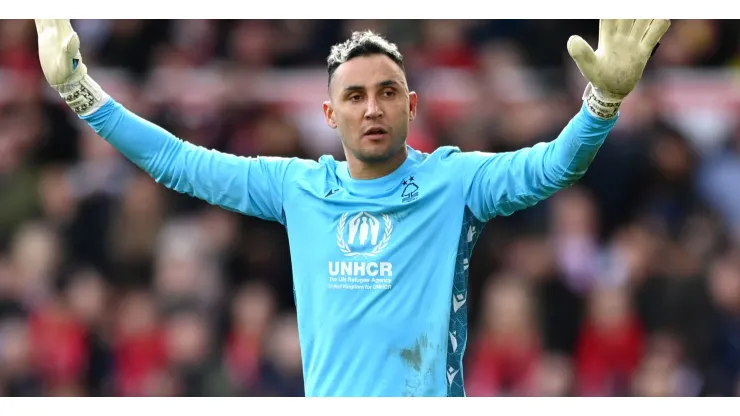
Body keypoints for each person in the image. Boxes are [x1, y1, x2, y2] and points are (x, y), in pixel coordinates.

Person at [33, 19, 670, 397]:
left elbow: (554, 167)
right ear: (329, 114)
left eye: (388, 92)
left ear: (412, 106)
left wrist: (601, 104)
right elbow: (178, 162)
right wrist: (80, 92)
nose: (373, 108)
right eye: (357, 96)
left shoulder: (457, 182)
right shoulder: (297, 188)